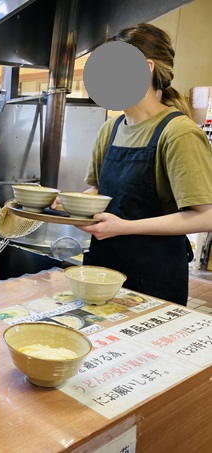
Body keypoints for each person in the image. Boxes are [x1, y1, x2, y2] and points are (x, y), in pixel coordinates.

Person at [77, 23, 212, 306]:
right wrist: (68, 205)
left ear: (146, 67)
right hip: (103, 269)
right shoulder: (110, 129)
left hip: (153, 278)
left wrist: (123, 227)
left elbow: (206, 216)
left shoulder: (178, 132)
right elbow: (99, 192)